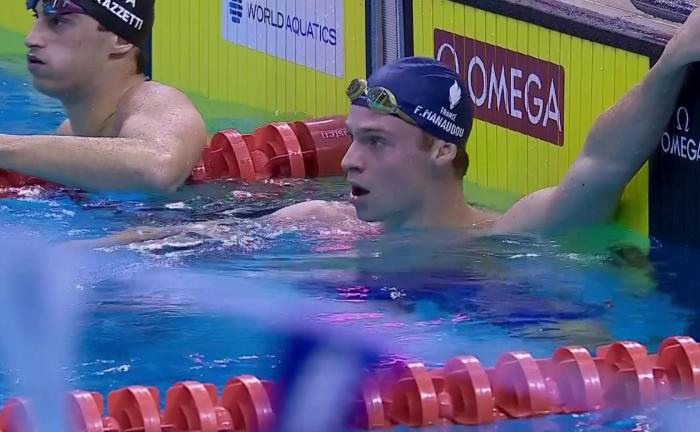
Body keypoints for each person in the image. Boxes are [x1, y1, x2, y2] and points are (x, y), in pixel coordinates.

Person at [86, 5, 700, 247]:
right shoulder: (318, 222)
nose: (350, 160)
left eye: (376, 142)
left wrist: (674, 58)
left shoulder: (513, 234)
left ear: (439, 148)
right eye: (354, 138)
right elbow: (168, 246)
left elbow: (604, 160)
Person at [0, 0, 207, 193]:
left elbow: (158, 167)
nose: (31, 38)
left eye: (59, 21)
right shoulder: (69, 134)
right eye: (37, 18)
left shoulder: (157, 101)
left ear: (120, 39)